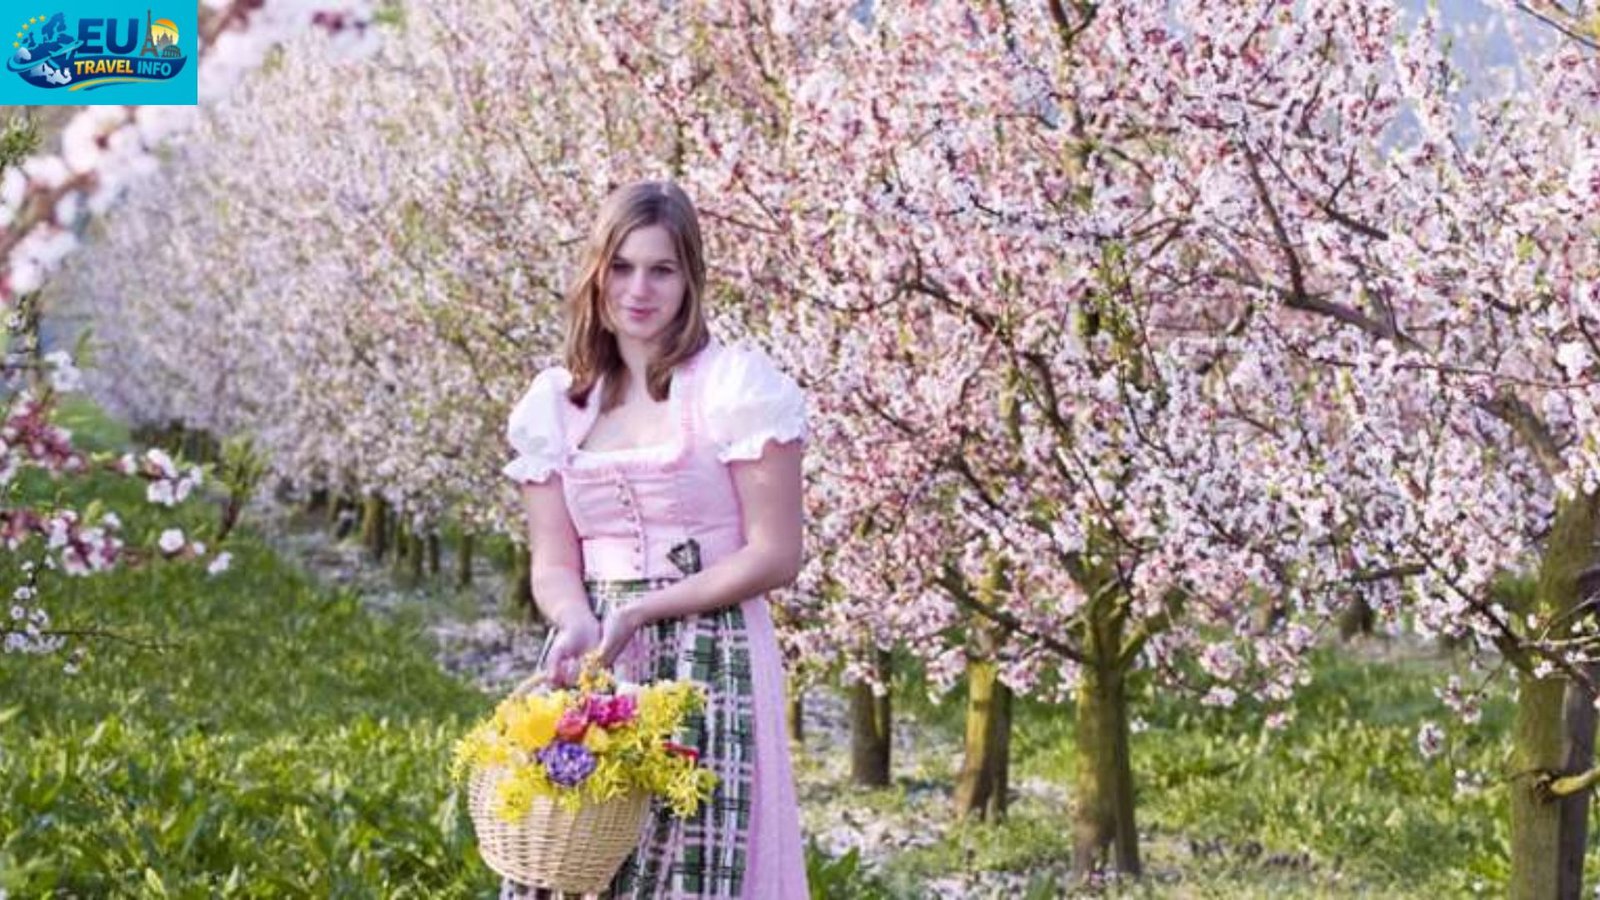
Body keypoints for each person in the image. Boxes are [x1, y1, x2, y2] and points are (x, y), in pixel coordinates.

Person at [498, 180, 810, 899]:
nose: (639, 290)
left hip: (710, 650)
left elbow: (775, 553)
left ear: (689, 278)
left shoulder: (734, 388)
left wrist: (643, 609)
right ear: (596, 273)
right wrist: (576, 620)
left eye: (661, 269)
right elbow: (554, 559)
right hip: (598, 652)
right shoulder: (558, 405)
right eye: (623, 267)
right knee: (577, 855)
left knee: (691, 861)